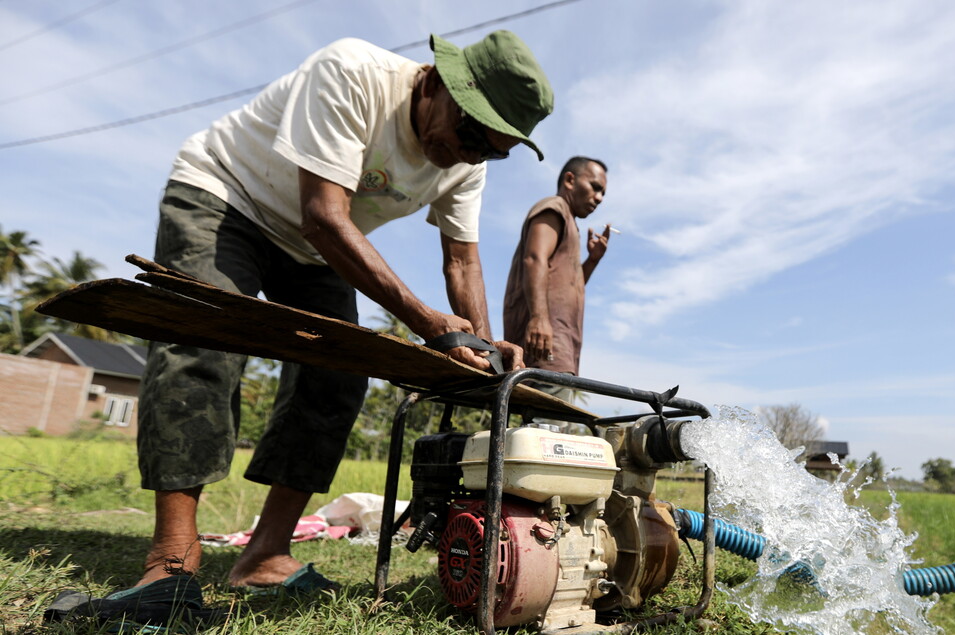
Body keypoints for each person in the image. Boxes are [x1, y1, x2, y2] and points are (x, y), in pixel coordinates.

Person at [130, 31, 553, 593]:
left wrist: (484, 343)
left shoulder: (466, 164)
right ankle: (170, 560)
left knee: (338, 374)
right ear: (432, 81)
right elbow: (324, 217)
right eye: (470, 130)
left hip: (311, 246)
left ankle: (264, 556)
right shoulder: (353, 72)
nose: (470, 153)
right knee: (205, 341)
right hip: (228, 196)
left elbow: (461, 261)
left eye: (492, 149)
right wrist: (427, 321)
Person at [502, 156, 610, 425]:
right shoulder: (554, 208)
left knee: (549, 434)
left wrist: (593, 260)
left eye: (603, 193)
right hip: (545, 347)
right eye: (595, 187)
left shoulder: (569, 222)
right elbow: (534, 258)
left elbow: (568, 287)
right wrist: (539, 318)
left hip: (560, 350)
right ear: (570, 180)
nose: (599, 198)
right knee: (546, 438)